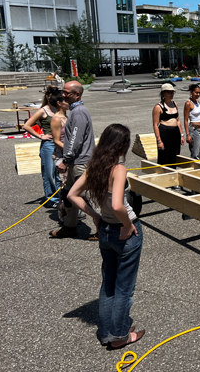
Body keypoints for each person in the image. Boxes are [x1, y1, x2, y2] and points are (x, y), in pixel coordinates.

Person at [67, 124, 145, 349]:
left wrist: (96, 217)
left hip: (106, 231)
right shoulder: (118, 169)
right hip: (124, 231)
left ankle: (106, 332)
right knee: (124, 288)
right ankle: (119, 335)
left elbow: (72, 194)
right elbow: (118, 205)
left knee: (108, 284)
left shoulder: (94, 167)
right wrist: (128, 225)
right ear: (121, 146)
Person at [50, 81, 96, 239]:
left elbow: (75, 140)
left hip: (80, 162)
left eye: (66, 93)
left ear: (77, 94)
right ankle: (69, 227)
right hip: (75, 161)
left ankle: (103, 228)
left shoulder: (78, 113)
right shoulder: (74, 111)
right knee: (69, 195)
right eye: (62, 92)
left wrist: (66, 159)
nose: (63, 95)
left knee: (89, 197)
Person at [23, 86, 61, 207]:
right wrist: (41, 136)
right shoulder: (43, 111)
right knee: (49, 173)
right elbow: (26, 126)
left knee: (59, 173)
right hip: (49, 144)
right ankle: (51, 198)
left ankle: (60, 197)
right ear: (48, 97)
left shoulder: (59, 108)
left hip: (60, 143)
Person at [152, 83, 185, 165]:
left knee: (175, 155)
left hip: (175, 131)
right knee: (164, 156)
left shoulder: (175, 104)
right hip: (165, 132)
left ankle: (173, 171)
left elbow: (178, 120)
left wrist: (181, 135)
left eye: (172, 92)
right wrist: (159, 140)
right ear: (163, 93)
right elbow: (155, 125)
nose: (171, 94)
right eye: (169, 92)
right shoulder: (158, 107)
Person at [50, 93, 69, 222]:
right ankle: (64, 216)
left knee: (72, 185)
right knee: (64, 186)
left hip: (70, 155)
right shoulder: (56, 119)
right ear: (59, 103)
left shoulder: (68, 116)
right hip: (61, 155)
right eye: (66, 100)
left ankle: (73, 213)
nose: (68, 102)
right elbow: (56, 141)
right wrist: (70, 151)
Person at [183, 84, 200, 160]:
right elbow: (185, 120)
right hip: (194, 129)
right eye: (196, 93)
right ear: (191, 92)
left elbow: (199, 116)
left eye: (199, 93)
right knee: (195, 154)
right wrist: (187, 134)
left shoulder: (197, 102)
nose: (198, 94)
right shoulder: (188, 103)